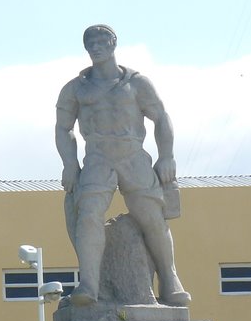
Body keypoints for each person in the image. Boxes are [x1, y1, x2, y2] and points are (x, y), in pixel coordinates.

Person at [55, 24, 190, 306]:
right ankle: (89, 285)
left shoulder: (137, 83)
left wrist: (167, 156)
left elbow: (161, 117)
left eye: (102, 40)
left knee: (152, 216)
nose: (96, 46)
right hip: (97, 158)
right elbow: (63, 127)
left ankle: (169, 278)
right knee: (88, 214)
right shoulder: (75, 88)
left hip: (133, 155)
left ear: (114, 43)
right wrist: (69, 164)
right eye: (89, 42)